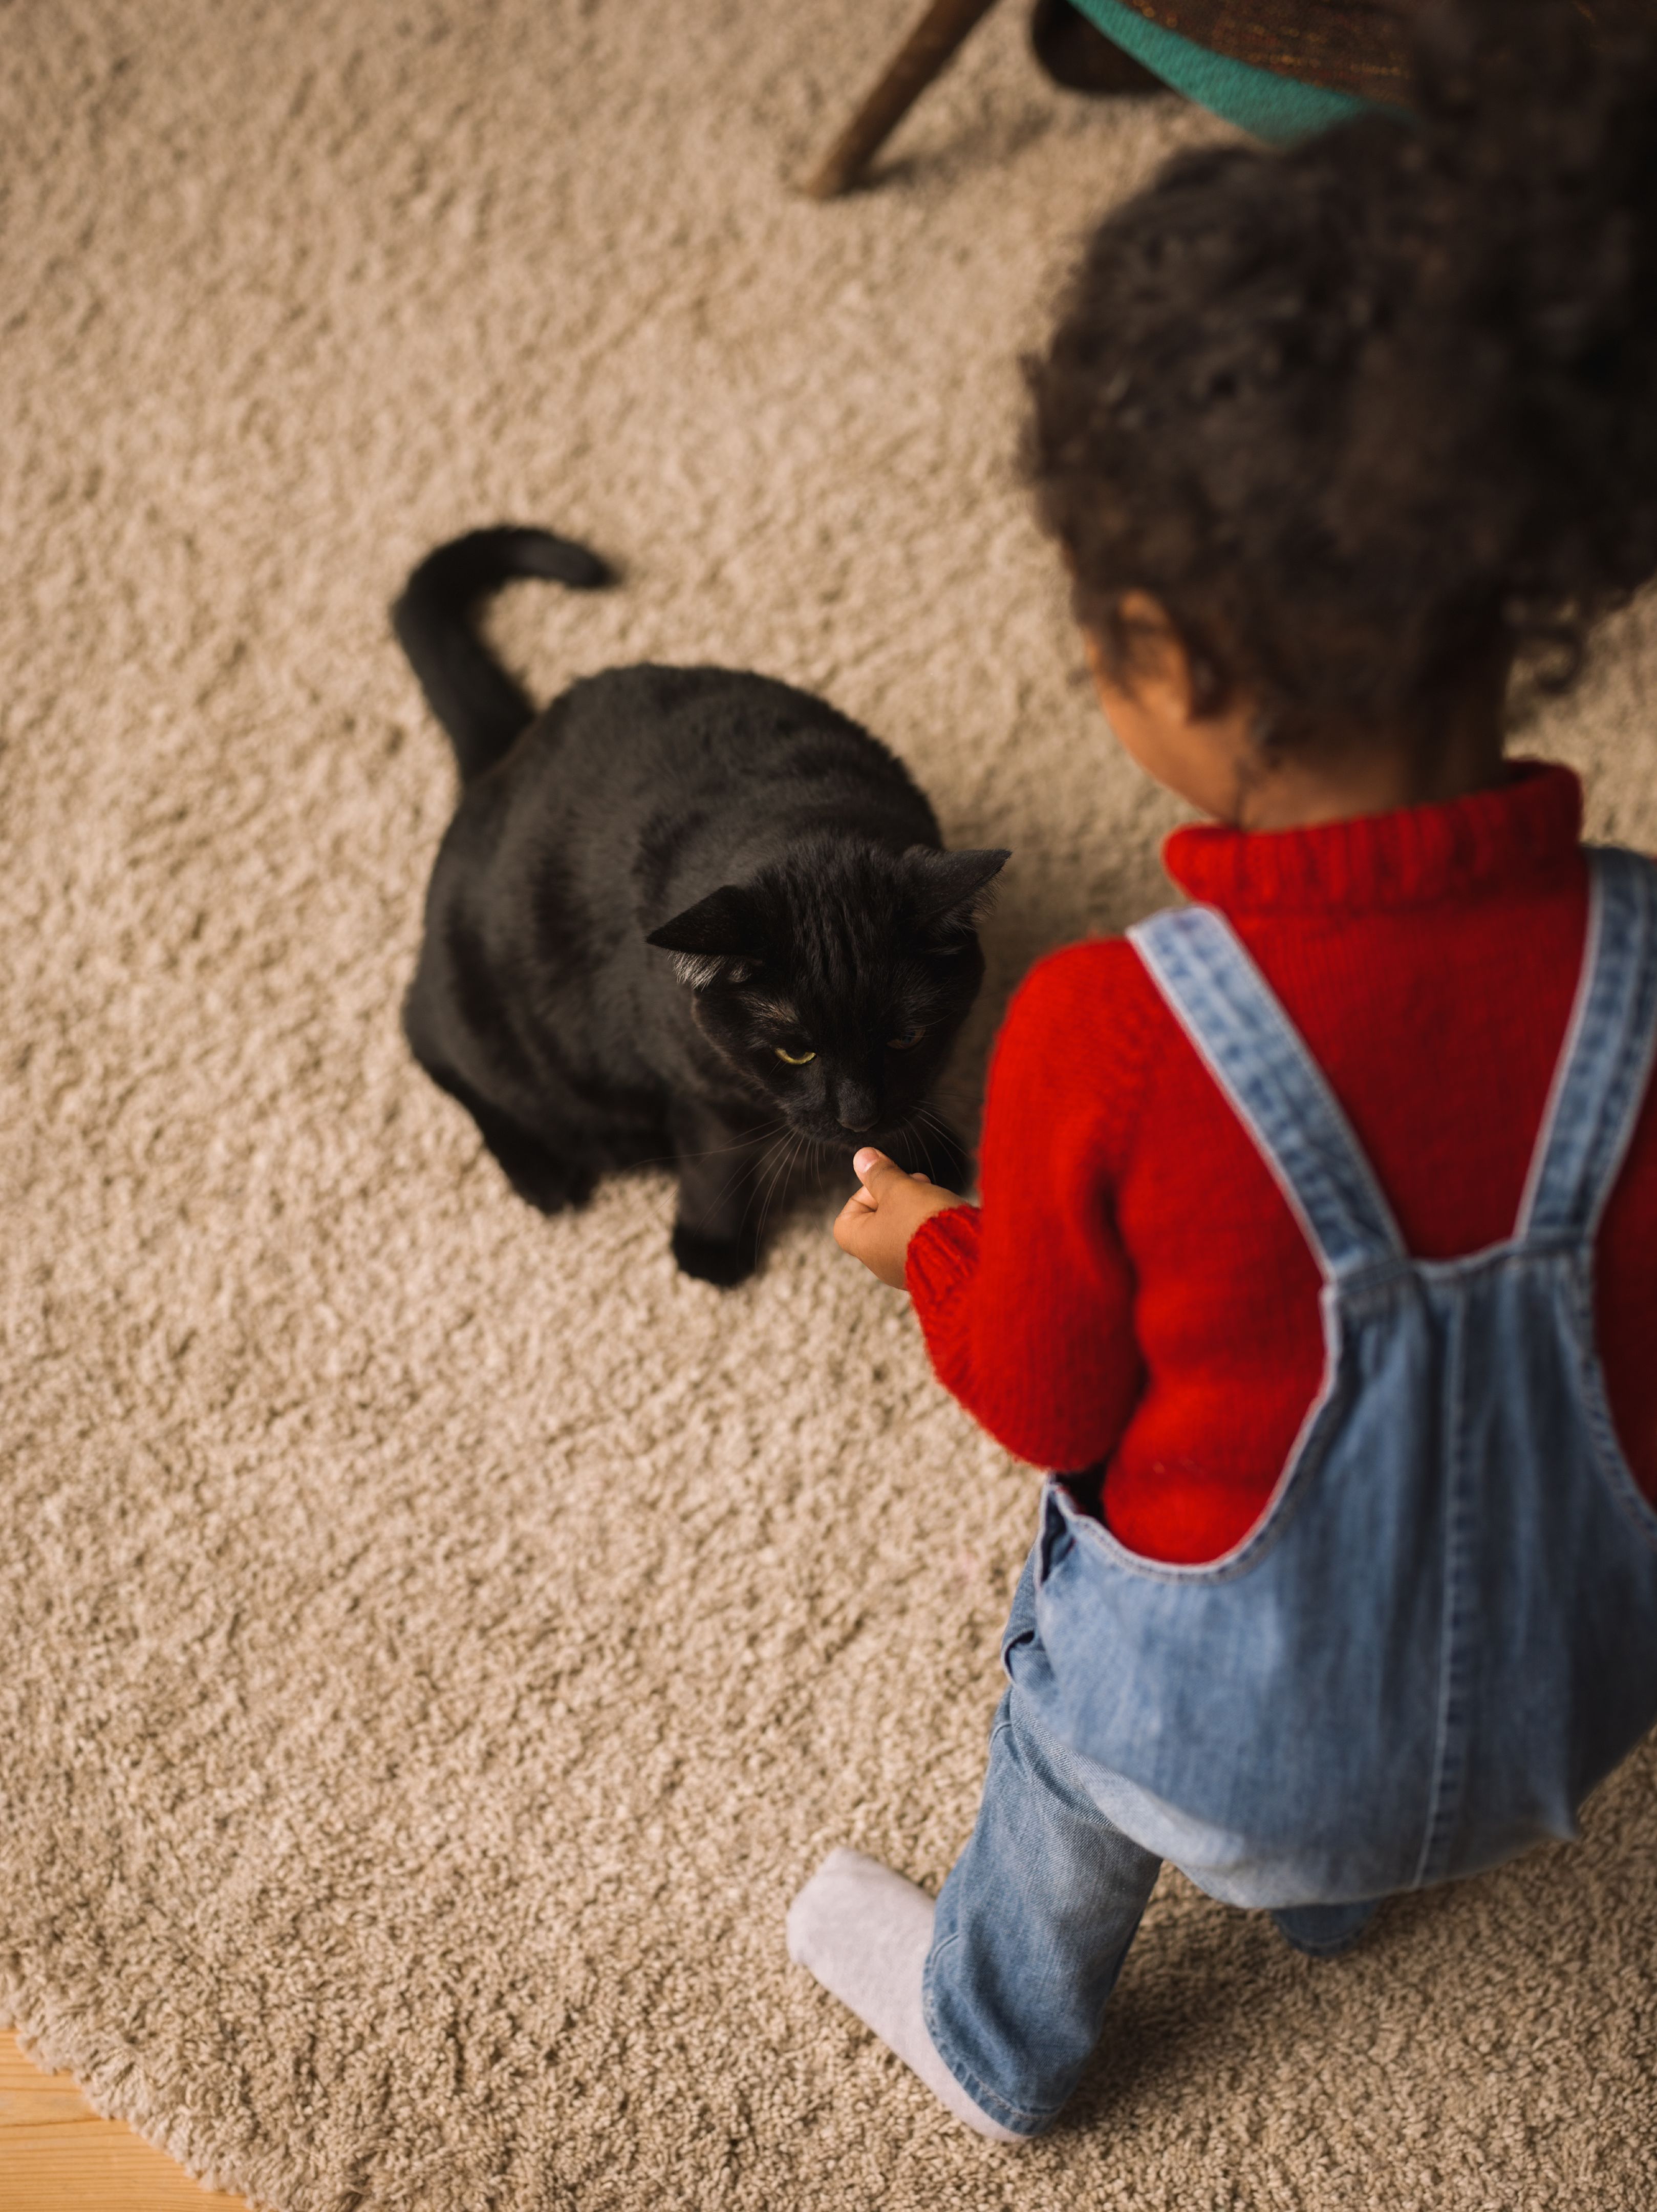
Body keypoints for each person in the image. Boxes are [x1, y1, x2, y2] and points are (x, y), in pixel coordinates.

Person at [786, 0, 1657, 2144]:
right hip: (1566, 1710)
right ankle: (1353, 1899)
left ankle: (1001, 2040)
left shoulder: (1117, 1027)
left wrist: (938, 1250)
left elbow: (1051, 1399)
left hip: (1218, 1751)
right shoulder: (1649, 956)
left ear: (1170, 657)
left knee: (1066, 1715)